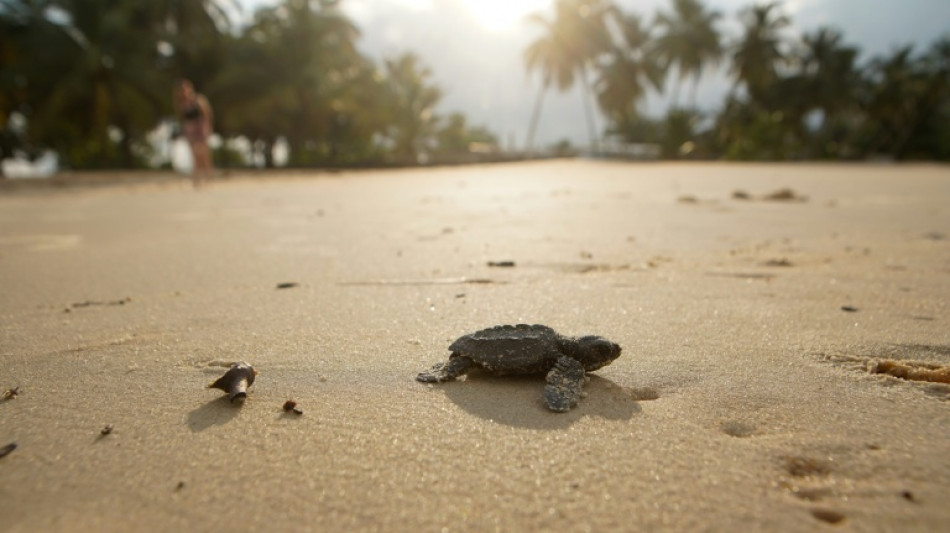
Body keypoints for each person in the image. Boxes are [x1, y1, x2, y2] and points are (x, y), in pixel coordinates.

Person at [173, 79, 214, 187]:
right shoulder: (181, 104)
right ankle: (197, 179)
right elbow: (182, 118)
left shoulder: (198, 99)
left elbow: (206, 114)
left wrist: (208, 128)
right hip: (189, 129)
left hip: (201, 127)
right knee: (194, 154)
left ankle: (208, 177)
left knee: (204, 154)